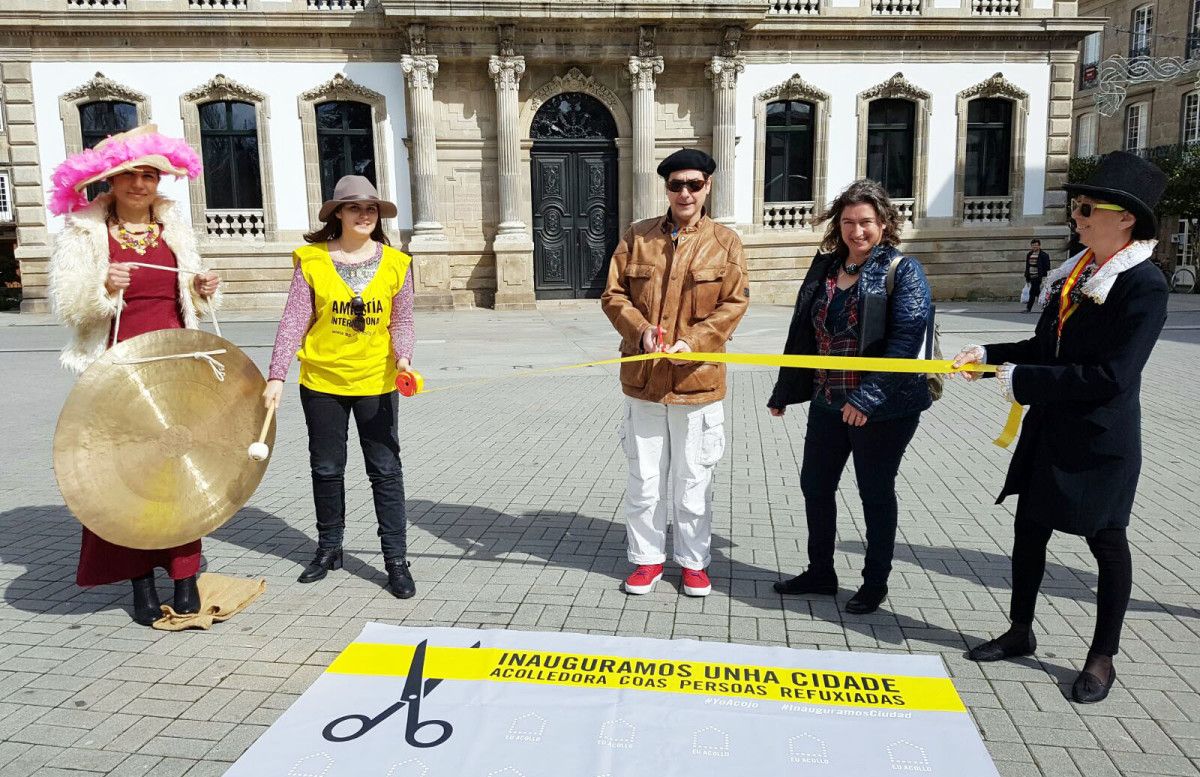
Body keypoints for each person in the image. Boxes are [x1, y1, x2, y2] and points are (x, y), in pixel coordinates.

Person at [952, 151, 1169, 704]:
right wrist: (988, 353)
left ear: (1126, 218)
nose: (1076, 215)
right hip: (1051, 428)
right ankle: (1020, 631)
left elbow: (1113, 375)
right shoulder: (1075, 274)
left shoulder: (1142, 283)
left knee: (1107, 542)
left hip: (1101, 437)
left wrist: (1024, 381)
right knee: (1030, 529)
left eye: (1087, 206)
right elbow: (1042, 349)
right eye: (1076, 205)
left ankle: (1102, 656)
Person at [47, 124, 221, 626]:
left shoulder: (176, 230)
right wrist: (102, 285)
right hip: (116, 368)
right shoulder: (83, 232)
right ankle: (140, 580)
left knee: (179, 468)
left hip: (174, 367)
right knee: (125, 479)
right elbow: (71, 309)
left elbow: (187, 294)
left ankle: (184, 576)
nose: (139, 185)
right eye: (129, 176)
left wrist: (205, 288)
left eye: (148, 175)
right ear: (110, 182)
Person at [767, 179, 933, 615]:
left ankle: (874, 582)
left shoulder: (902, 270)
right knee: (815, 485)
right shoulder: (824, 267)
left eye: (865, 222)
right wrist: (786, 389)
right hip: (827, 398)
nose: (856, 231)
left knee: (874, 491)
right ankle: (820, 572)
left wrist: (867, 399)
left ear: (883, 224)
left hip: (883, 408)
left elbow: (906, 339)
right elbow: (804, 331)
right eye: (847, 222)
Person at [600, 148, 749, 597]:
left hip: (696, 382)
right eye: (675, 184)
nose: (684, 192)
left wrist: (696, 341)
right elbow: (613, 294)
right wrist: (641, 330)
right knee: (643, 480)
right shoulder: (637, 236)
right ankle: (646, 560)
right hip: (644, 382)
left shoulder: (725, 242)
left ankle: (693, 562)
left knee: (692, 482)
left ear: (708, 186)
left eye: (694, 184)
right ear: (665, 188)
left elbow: (734, 303)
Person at [264, 175, 417, 599]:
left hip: (377, 381)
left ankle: (396, 560)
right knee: (327, 468)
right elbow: (294, 320)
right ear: (338, 214)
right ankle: (329, 547)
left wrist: (403, 356)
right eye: (355, 208)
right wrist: (276, 375)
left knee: (385, 471)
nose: (364, 215)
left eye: (371, 209)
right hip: (322, 381)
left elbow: (401, 319)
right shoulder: (311, 260)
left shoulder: (396, 263)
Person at [1023, 239, 1051, 313]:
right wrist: (1027, 276)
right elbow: (1027, 266)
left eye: (1036, 245)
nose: (1034, 246)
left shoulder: (1044, 255)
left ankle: (1028, 309)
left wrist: (1045, 277)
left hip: (1038, 276)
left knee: (1032, 292)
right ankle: (1047, 306)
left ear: (1039, 245)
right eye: (1033, 245)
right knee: (1038, 292)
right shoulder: (1029, 254)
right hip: (1031, 276)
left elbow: (1047, 267)